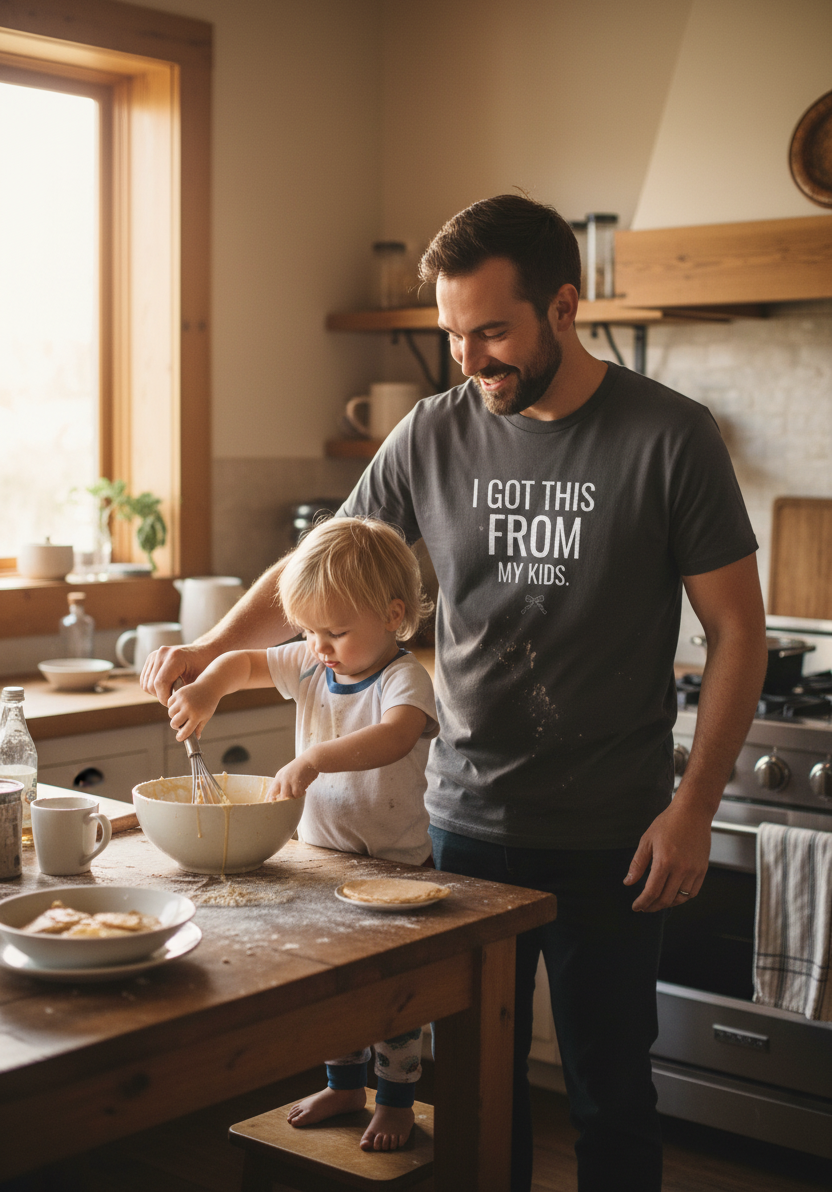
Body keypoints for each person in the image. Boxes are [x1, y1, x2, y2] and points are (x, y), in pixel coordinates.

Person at [142, 194, 768, 1191]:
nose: (470, 360)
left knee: (610, 1093)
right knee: (478, 1089)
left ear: (564, 307)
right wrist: (212, 648)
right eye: (453, 335)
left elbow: (739, 631)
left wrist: (694, 807)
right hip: (464, 827)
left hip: (612, 833)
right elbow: (318, 567)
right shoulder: (432, 432)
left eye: (492, 333)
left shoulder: (669, 435)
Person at [164, 516, 439, 1153]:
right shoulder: (314, 663)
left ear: (393, 615)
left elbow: (396, 735)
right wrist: (205, 690)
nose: (318, 646)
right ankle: (344, 1086)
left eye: (334, 632)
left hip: (396, 870)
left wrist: (315, 758)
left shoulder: (403, 678)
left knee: (394, 995)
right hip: (323, 861)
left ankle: (396, 1100)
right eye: (308, 631)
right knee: (335, 988)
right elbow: (242, 664)